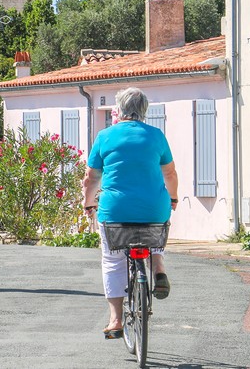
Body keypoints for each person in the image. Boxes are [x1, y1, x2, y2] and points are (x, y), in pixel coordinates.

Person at [81, 87, 178, 340]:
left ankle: (115, 320)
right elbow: (169, 173)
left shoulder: (105, 136)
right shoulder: (156, 136)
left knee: (112, 261)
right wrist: (173, 198)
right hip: (154, 209)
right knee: (154, 234)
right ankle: (158, 268)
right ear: (144, 110)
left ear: (118, 110)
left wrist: (88, 203)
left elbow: (91, 178)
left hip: (116, 212)